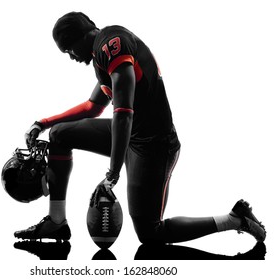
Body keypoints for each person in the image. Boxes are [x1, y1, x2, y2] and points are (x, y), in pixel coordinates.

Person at [14, 12, 266, 244]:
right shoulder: (101, 54)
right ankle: (56, 222)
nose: (71, 57)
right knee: (60, 134)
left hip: (153, 145)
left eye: (69, 50)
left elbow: (123, 114)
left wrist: (112, 175)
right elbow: (93, 106)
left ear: (81, 37)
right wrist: (44, 123)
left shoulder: (111, 44)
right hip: (133, 135)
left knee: (150, 233)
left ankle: (235, 219)